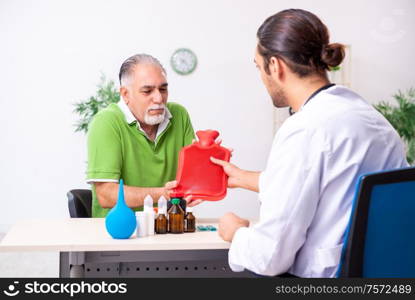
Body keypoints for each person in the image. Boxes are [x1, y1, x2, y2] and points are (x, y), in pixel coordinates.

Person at [205, 9, 408, 277]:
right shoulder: (371, 119)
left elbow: (270, 257)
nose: (261, 78)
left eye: (258, 66)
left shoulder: (305, 129)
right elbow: (334, 186)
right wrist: (242, 178)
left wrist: (236, 232)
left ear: (275, 66)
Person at [87, 54, 195, 217]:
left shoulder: (179, 115)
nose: (159, 98)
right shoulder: (106, 122)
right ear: (125, 94)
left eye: (163, 89)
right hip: (119, 232)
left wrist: (209, 160)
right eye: (147, 91)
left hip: (167, 228)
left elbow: (193, 178)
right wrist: (164, 193)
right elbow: (106, 195)